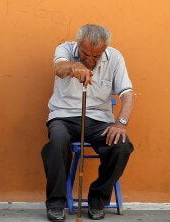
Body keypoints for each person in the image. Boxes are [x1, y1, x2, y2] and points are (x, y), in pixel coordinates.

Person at [41, 24, 134, 221]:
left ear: (104, 50)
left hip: (99, 120)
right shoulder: (65, 49)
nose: (90, 60)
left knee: (122, 146)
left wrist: (121, 123)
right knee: (57, 141)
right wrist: (74, 66)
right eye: (85, 54)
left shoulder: (115, 57)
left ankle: (98, 199)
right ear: (78, 45)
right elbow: (59, 68)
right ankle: (56, 203)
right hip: (63, 116)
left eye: (96, 56)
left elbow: (127, 92)